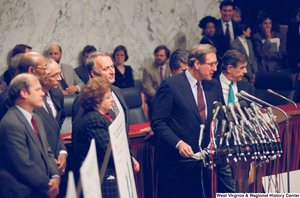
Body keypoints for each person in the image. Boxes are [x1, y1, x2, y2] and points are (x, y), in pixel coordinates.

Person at [151, 44, 223, 198]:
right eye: (211, 64)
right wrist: (179, 143)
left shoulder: (213, 85)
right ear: (197, 64)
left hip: (203, 163)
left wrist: (214, 140)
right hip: (175, 165)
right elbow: (158, 123)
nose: (215, 69)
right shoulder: (171, 85)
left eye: (216, 64)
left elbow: (219, 118)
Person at [72, 51, 139, 181]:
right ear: (93, 73)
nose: (112, 71)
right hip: (101, 174)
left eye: (112, 66)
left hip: (123, 168)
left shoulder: (117, 91)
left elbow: (122, 131)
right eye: (106, 68)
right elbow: (78, 142)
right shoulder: (84, 98)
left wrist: (130, 155)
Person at [0, 73, 60, 198]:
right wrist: (47, 185)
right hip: (26, 192)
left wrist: (55, 176)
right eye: (38, 90)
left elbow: (47, 151)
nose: (43, 94)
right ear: (24, 93)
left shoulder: (36, 118)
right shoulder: (11, 123)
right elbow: (22, 164)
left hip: (44, 187)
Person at [214, 50, 253, 193]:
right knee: (230, 191)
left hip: (243, 149)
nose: (245, 71)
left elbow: (250, 115)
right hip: (222, 149)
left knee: (242, 189)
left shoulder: (246, 86)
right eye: (242, 68)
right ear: (230, 68)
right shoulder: (211, 86)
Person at [75, 76, 118, 197]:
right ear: (97, 101)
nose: (112, 100)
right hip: (102, 182)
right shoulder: (94, 120)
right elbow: (110, 153)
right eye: (108, 97)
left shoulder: (98, 116)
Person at [143, 45, 171, 119]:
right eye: (157, 55)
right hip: (154, 96)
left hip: (169, 95)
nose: (158, 57)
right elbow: (147, 87)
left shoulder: (172, 67)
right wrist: (159, 96)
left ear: (167, 57)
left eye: (161, 55)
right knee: (154, 101)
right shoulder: (147, 69)